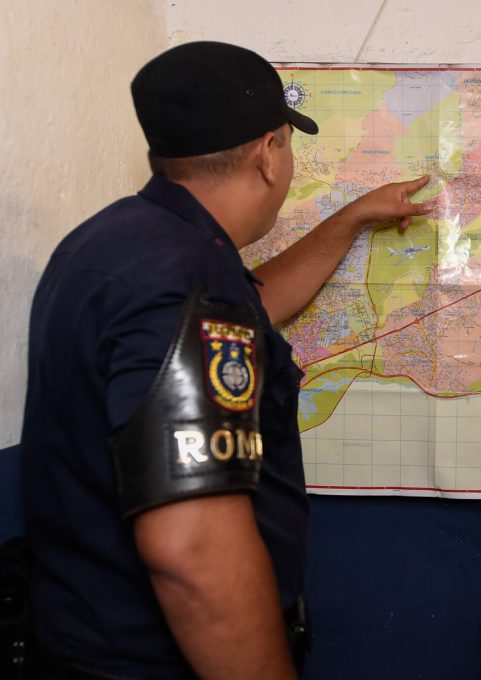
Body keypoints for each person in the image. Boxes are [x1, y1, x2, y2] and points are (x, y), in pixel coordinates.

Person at [20, 41, 431, 679]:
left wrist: (351, 218)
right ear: (269, 152)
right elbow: (193, 549)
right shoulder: (187, 279)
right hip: (155, 661)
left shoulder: (118, 242)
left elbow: (247, 308)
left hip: (81, 639)